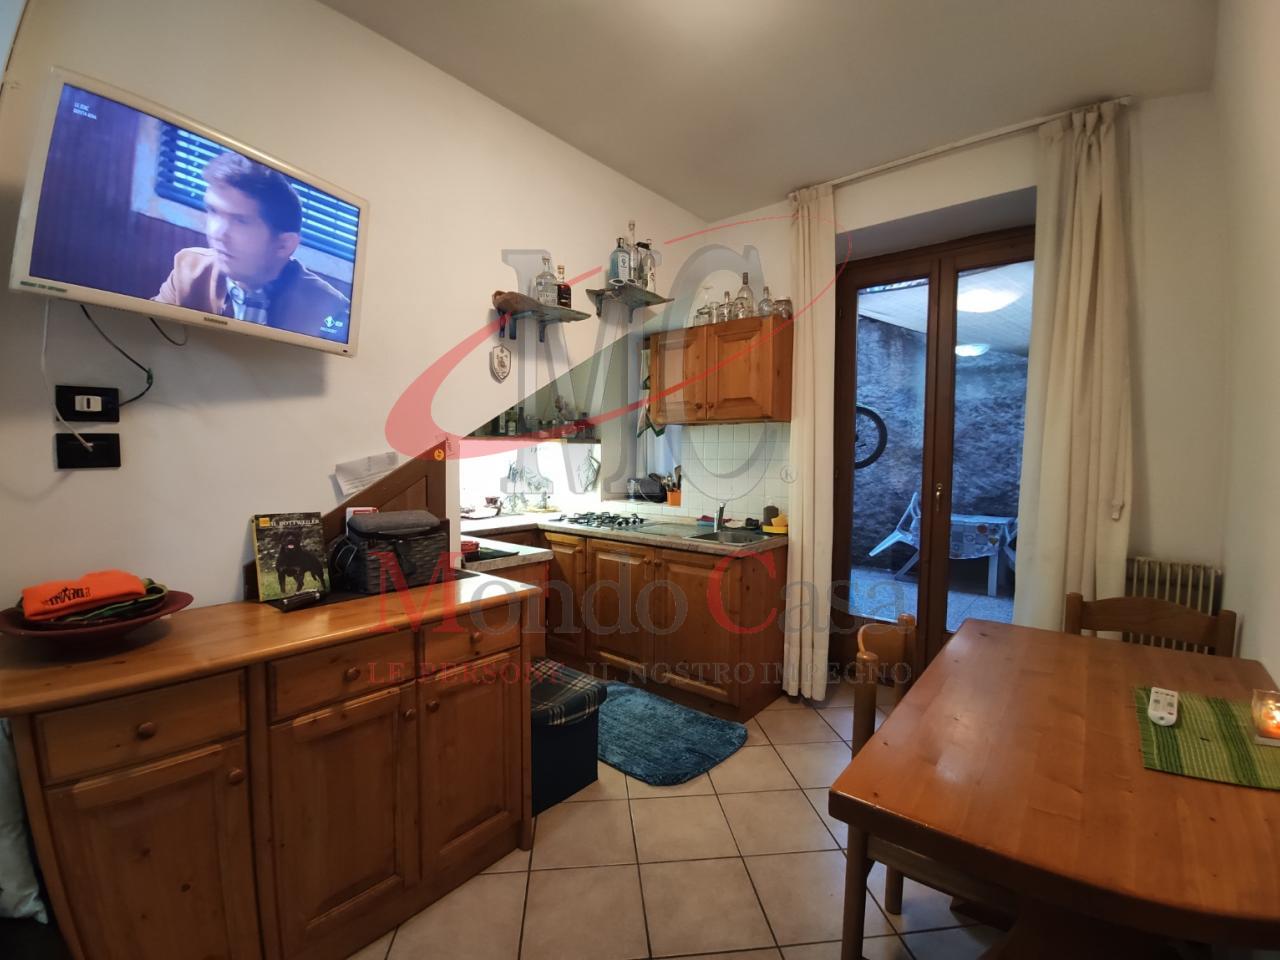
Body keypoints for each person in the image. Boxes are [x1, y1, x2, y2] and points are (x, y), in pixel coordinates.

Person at [153, 151, 350, 339]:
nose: (217, 233)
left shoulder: (331, 309)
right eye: (213, 211)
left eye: (241, 221)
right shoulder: (188, 268)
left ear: (283, 245)